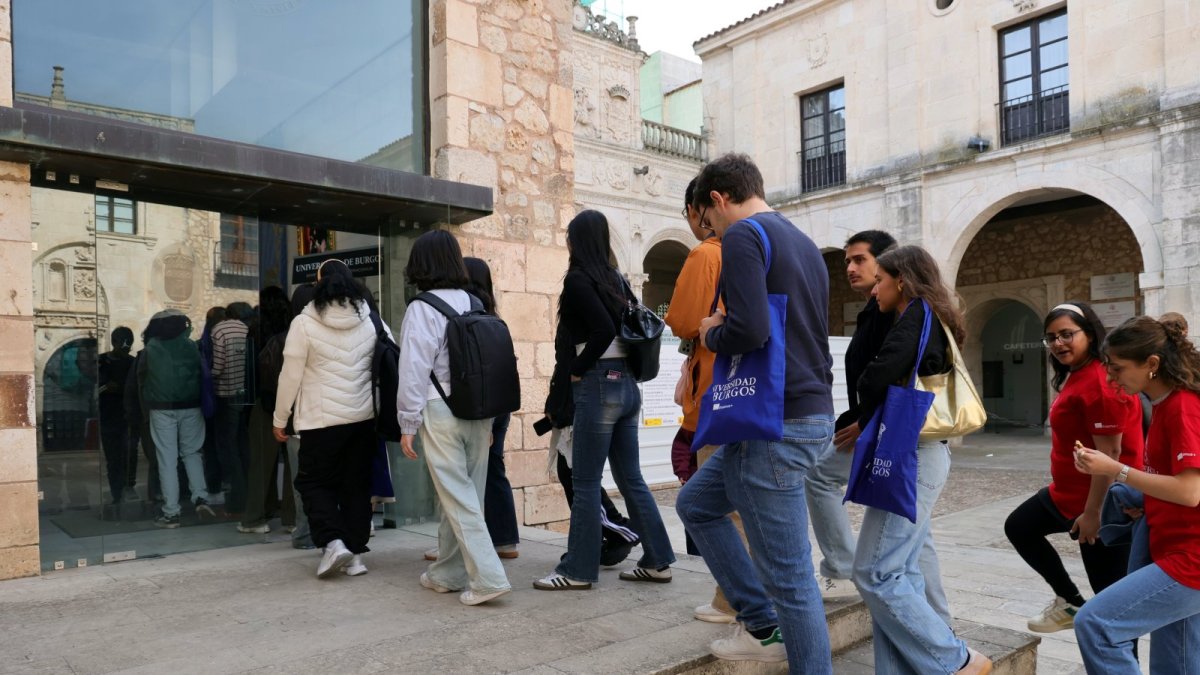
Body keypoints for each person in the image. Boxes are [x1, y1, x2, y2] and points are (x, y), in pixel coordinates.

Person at [675, 153, 835, 670]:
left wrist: (710, 332)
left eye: (707, 220)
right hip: (807, 413)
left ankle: (793, 652)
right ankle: (761, 625)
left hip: (773, 424)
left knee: (791, 578)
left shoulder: (744, 235)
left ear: (718, 199)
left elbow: (749, 331)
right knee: (696, 504)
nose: (711, 231)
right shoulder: (802, 241)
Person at [845, 245, 990, 674]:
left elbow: (874, 378)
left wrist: (869, 387)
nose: (875, 290)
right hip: (919, 454)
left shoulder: (917, 316)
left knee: (874, 572)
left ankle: (958, 660)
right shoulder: (929, 316)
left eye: (881, 281)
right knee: (901, 573)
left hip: (912, 455)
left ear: (902, 281)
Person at [534, 210, 675, 591]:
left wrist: (577, 369)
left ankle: (577, 570)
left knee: (584, 482)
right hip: (627, 384)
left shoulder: (579, 279)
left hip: (598, 385)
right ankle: (658, 560)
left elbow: (602, 330)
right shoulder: (616, 278)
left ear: (577, 241)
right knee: (631, 479)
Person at [1004, 302, 1143, 633]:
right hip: (1067, 495)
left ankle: (1120, 657)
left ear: (1089, 335)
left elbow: (1110, 453)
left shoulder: (1100, 382)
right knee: (1020, 527)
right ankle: (1069, 602)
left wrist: (1094, 514)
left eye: (1067, 334)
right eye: (1051, 337)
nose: (1058, 343)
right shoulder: (1078, 374)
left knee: (1111, 604)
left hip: (1103, 502)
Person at [1074, 315, 1200, 674]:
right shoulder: (1165, 404)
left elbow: (1190, 491)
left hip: (1190, 558)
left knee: (1096, 625)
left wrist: (1115, 470)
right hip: (1176, 548)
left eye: (1117, 368)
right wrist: (1142, 499)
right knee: (1177, 665)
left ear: (1152, 364)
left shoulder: (1182, 407)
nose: (1110, 378)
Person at [398, 231, 511, 606]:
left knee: (457, 498)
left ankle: (489, 579)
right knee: (466, 495)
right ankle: (447, 572)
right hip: (479, 412)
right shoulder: (474, 302)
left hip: (440, 410)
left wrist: (407, 423)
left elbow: (413, 370)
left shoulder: (421, 308)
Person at [273, 260, 381, 579]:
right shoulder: (370, 319)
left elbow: (289, 376)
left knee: (313, 483)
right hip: (363, 418)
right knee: (356, 486)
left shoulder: (304, 323)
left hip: (320, 422)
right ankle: (356, 556)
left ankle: (333, 543)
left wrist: (280, 418)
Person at [664, 177, 737, 622]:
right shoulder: (748, 248)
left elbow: (681, 319)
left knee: (717, 501)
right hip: (744, 390)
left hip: (713, 389)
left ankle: (732, 600)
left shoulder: (706, 254)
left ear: (698, 210)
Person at [466, 256, 520, 559]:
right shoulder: (495, 319)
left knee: (467, 472)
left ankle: (462, 543)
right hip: (500, 403)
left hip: (481, 406)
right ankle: (504, 539)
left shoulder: (467, 318)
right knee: (495, 468)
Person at [139, 310, 215, 528]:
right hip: (191, 406)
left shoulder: (150, 349)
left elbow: (142, 381)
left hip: (161, 409)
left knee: (167, 459)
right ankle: (200, 498)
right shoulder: (191, 346)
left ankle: (171, 512)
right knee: (192, 453)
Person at [240, 286, 293, 534]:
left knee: (261, 463)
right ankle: (292, 518)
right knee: (293, 462)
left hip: (265, 403)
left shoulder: (255, 331)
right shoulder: (295, 329)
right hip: (292, 402)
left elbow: (249, 370)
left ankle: (256, 517)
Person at [212, 302, 253, 516]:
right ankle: (249, 494)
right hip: (246, 394)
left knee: (229, 447)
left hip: (226, 393)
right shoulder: (248, 328)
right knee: (244, 445)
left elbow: (218, 366)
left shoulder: (220, 330)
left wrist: (208, 374)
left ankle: (237, 497)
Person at [98, 326, 138, 506]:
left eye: (128, 345)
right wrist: (107, 387)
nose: (126, 348)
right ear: (114, 342)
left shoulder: (133, 363)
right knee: (113, 458)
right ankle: (117, 494)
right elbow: (95, 388)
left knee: (130, 454)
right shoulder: (101, 361)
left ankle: (128, 487)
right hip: (108, 417)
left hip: (128, 416)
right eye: (123, 344)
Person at [199, 306, 226, 495]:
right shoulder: (219, 340)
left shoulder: (202, 344)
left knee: (210, 446)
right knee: (219, 444)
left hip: (208, 400)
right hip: (220, 398)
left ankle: (214, 484)